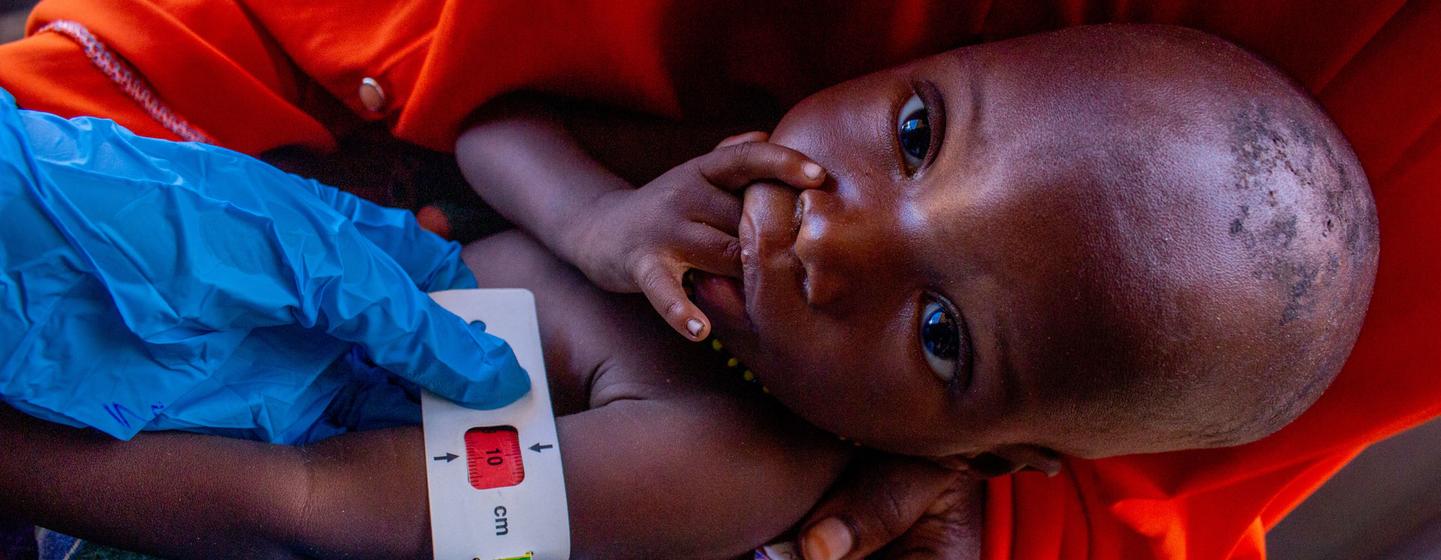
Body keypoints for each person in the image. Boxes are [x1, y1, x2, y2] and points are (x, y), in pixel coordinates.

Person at [2, 2, 1438, 558]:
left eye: (941, 334)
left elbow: (303, 503)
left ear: (988, 459)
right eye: (916, 135)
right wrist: (599, 221)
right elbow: (494, 125)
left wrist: (18, 464)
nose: (837, 239)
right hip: (190, 300)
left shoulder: (714, 456)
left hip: (133, 475)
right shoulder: (688, 216)